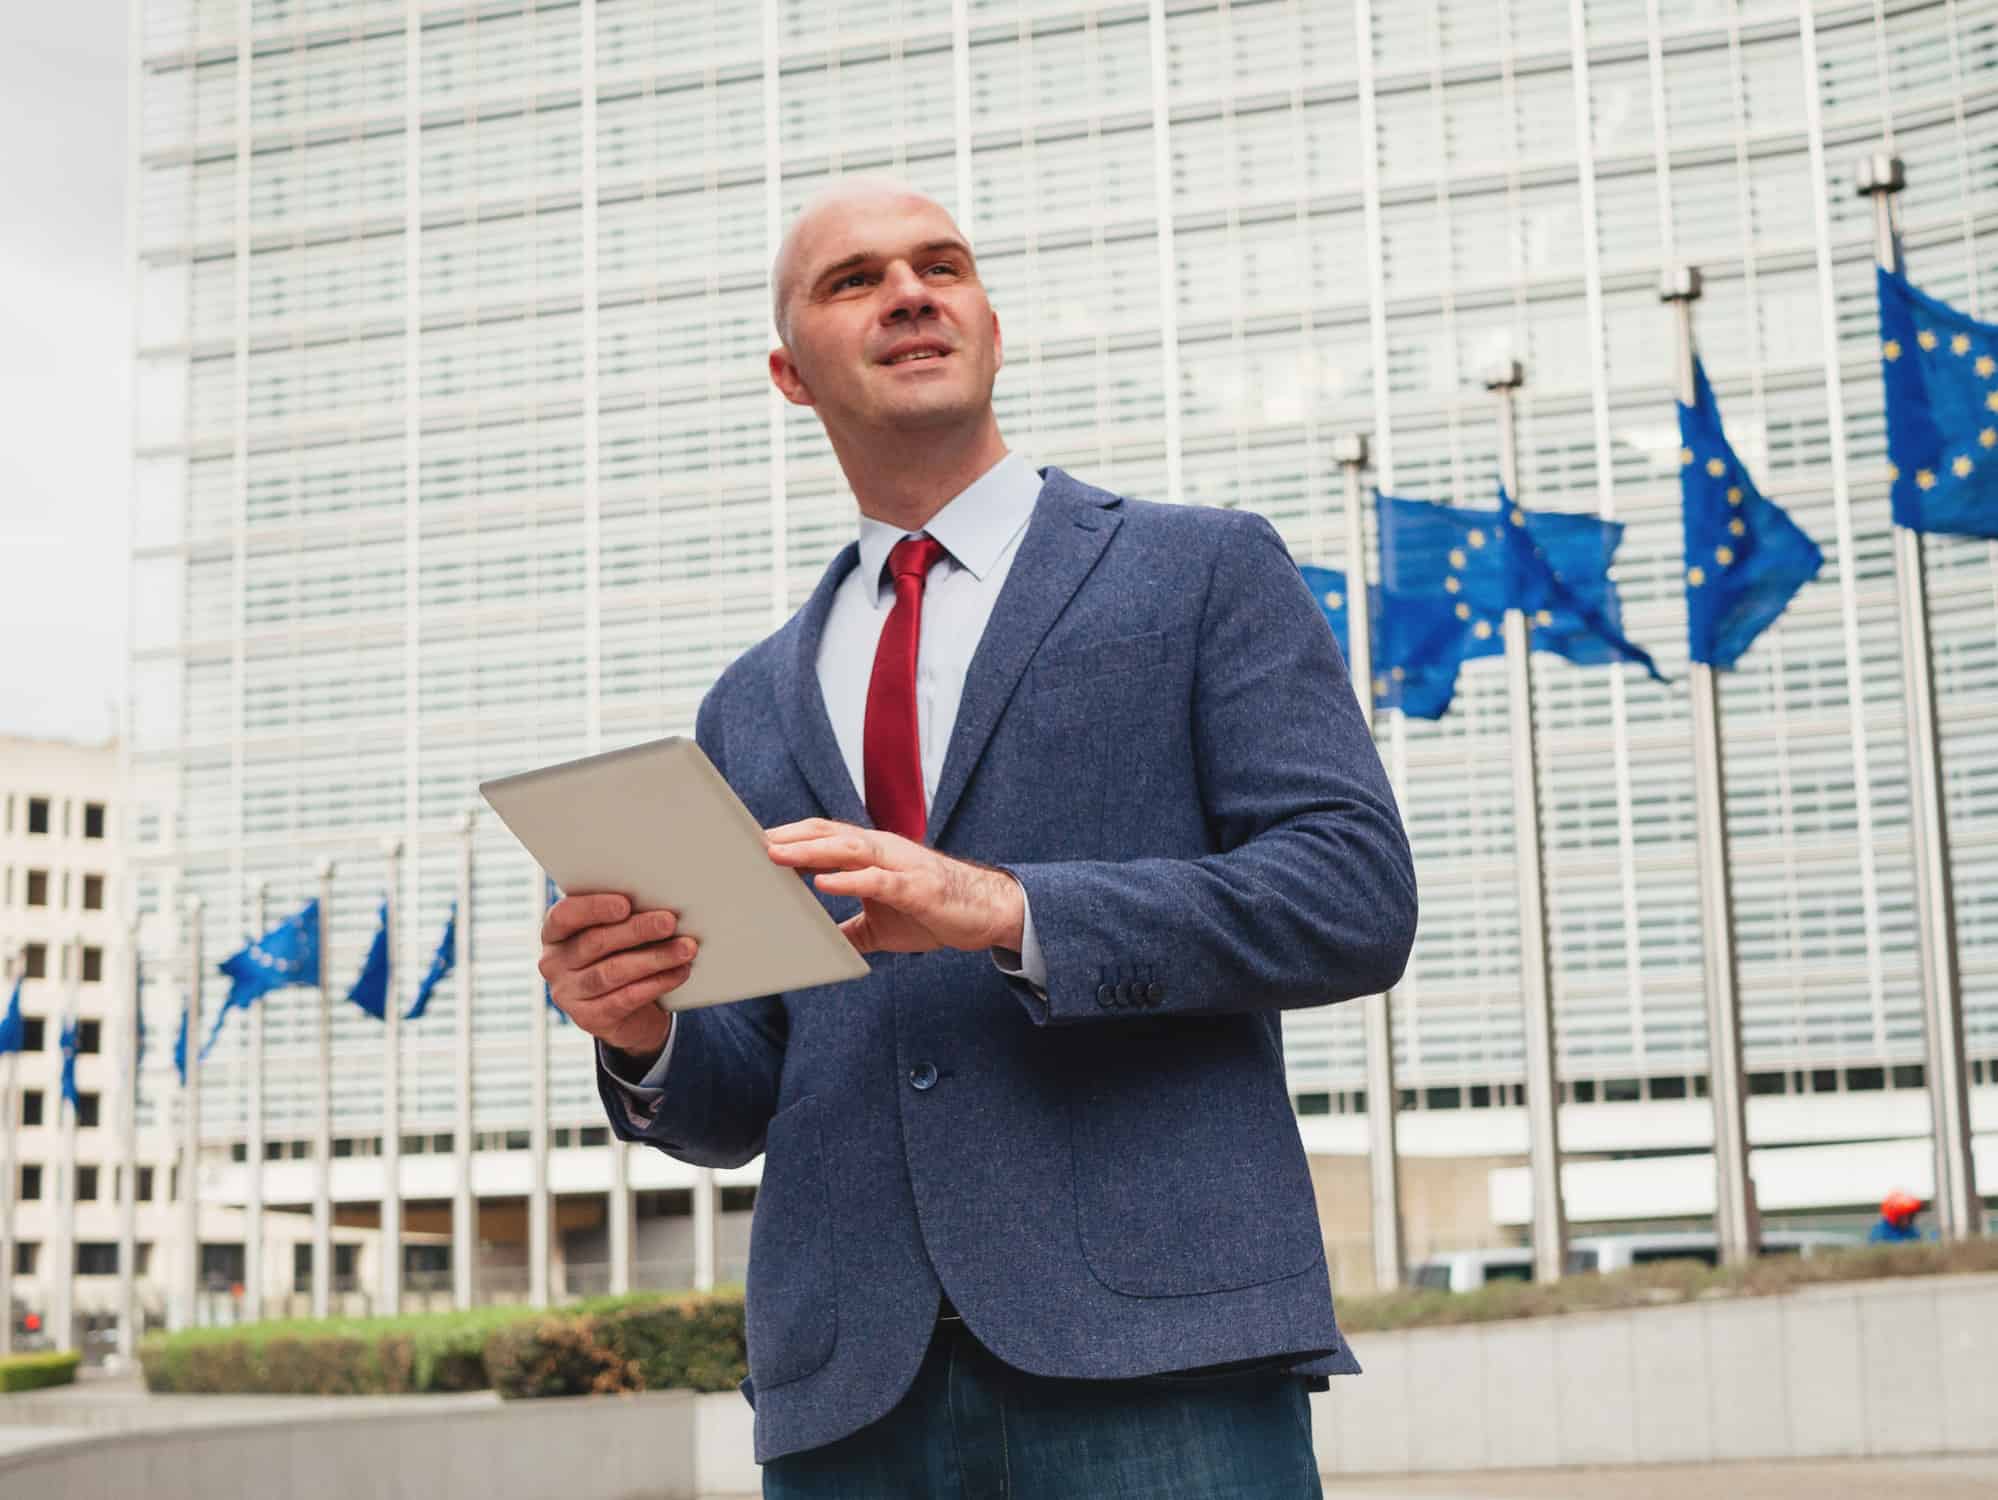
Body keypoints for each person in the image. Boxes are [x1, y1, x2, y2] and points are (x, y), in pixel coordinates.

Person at [540, 177, 1417, 1497]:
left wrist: (1008, 908)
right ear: (790, 375)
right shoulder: (747, 703)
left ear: (990, 328)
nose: (907, 292)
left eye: (939, 266)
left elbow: (1350, 896)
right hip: (850, 1390)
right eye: (854, 280)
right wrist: (641, 1029)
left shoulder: (1202, 571)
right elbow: (740, 1096)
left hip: (1156, 1357)